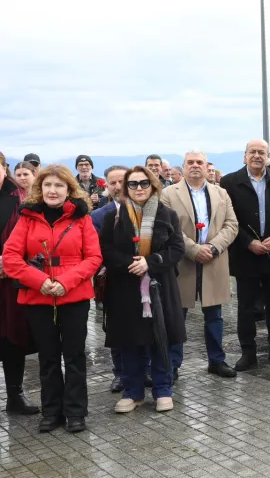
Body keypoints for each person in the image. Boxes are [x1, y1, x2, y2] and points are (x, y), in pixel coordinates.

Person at [3, 164, 102, 433]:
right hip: (38, 298)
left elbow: (93, 258)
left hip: (74, 297)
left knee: (74, 356)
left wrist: (65, 282)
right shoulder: (27, 217)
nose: (52, 190)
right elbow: (11, 258)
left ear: (69, 189)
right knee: (47, 357)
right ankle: (51, 411)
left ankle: (76, 412)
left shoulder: (81, 218)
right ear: (40, 188)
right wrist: (40, 282)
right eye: (47, 185)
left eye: (59, 185)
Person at [99, 166, 186, 414]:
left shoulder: (167, 214)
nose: (139, 188)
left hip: (160, 286)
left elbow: (177, 248)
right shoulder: (113, 217)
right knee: (129, 340)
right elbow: (105, 249)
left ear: (153, 185)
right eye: (133, 184)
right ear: (126, 187)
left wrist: (151, 262)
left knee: (160, 338)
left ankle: (163, 390)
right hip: (125, 287)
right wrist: (131, 263)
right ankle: (133, 392)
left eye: (144, 183)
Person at [161, 151, 239, 378]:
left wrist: (213, 247)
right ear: (184, 167)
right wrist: (194, 250)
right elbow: (167, 227)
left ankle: (217, 360)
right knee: (177, 314)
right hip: (182, 261)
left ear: (206, 167)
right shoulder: (168, 194)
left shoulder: (221, 193)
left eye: (199, 162)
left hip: (214, 260)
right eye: (190, 162)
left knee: (214, 315)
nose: (195, 166)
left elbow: (232, 224)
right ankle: (172, 364)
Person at [221, 140, 270, 368]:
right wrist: (248, 242)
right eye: (252, 152)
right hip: (246, 254)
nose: (257, 155)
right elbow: (228, 219)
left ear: (268, 156)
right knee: (246, 307)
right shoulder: (229, 182)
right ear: (244, 155)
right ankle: (248, 352)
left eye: (261, 152)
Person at [0, 153, 39, 416]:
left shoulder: (21, 200)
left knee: (11, 338)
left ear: (4, 169)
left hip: (9, 281)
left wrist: (10, 262)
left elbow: (33, 239)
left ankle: (15, 394)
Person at [90, 165, 129, 390]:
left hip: (141, 277)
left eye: (121, 181)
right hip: (112, 280)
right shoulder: (98, 215)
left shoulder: (147, 210)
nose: (117, 186)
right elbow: (95, 251)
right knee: (116, 328)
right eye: (112, 183)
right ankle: (120, 372)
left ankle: (145, 369)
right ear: (106, 186)